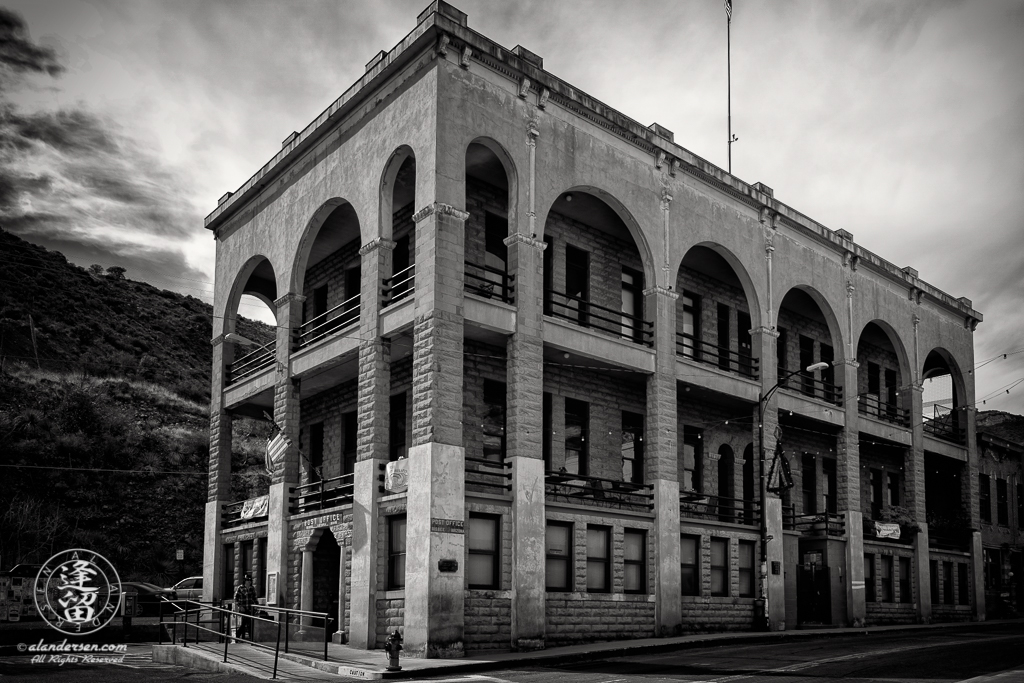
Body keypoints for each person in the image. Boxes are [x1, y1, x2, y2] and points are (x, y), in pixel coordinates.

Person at [233, 573, 258, 642]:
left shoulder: (252, 588)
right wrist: (240, 606)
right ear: (245, 581)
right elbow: (236, 598)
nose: (249, 581)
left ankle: (238, 636)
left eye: (250, 580)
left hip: (250, 609)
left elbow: (255, 598)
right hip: (243, 609)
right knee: (246, 623)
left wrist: (257, 606)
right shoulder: (240, 588)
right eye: (247, 580)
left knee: (247, 623)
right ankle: (249, 638)